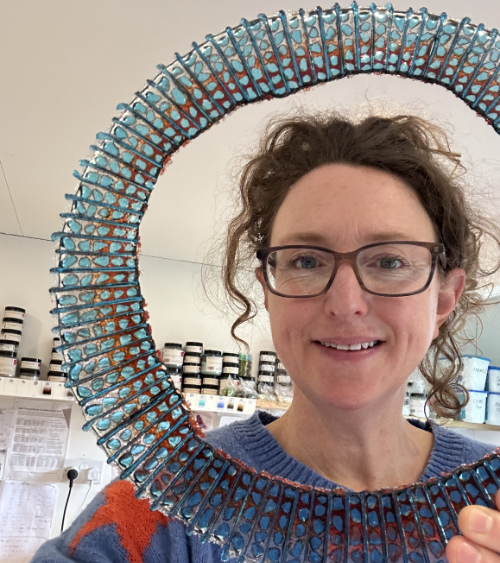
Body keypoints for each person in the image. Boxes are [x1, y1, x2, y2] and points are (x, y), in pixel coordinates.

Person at [31, 111, 500, 563]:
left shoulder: (492, 502)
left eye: (390, 261)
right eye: (305, 261)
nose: (345, 303)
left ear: (444, 297)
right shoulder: (169, 503)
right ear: (268, 293)